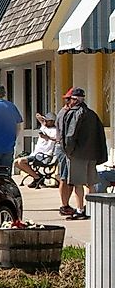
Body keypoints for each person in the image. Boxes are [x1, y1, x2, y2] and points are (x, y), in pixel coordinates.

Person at [58, 87, 106, 221]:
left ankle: (80, 210)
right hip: (92, 154)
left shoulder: (75, 114)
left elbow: (70, 135)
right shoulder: (92, 114)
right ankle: (92, 208)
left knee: (78, 184)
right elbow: (100, 135)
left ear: (74, 99)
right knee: (91, 183)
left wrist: (68, 151)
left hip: (77, 154)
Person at [15, 112, 58, 188]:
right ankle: (36, 176)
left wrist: (48, 137)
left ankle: (37, 178)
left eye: (47, 120)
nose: (45, 122)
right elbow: (38, 116)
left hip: (44, 155)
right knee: (16, 163)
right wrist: (43, 118)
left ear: (52, 121)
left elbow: (58, 139)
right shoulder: (44, 127)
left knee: (21, 162)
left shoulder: (55, 131)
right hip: (35, 154)